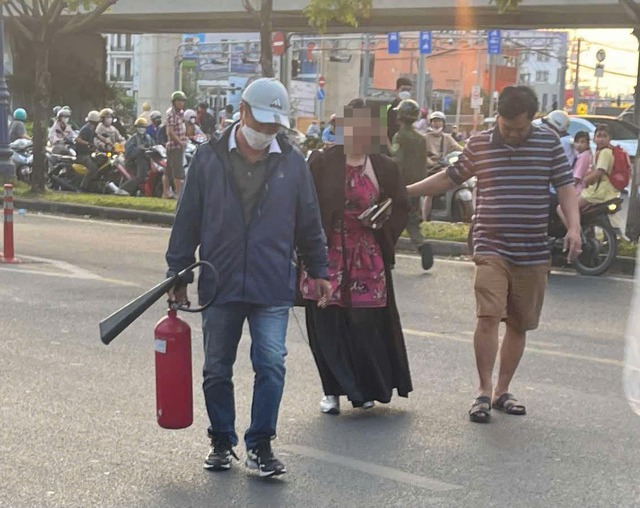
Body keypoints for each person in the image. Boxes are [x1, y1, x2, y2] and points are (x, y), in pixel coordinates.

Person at [165, 78, 330, 476]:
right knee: (217, 368)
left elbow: (309, 221)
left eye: (275, 126)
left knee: (271, 364)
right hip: (219, 282)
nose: (267, 132)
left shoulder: (292, 163)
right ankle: (221, 440)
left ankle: (260, 444)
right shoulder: (208, 158)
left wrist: (319, 269)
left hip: (272, 281)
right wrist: (178, 274)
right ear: (242, 111)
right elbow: (187, 219)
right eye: (263, 122)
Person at [407, 85, 582, 423]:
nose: (512, 134)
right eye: (506, 126)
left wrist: (573, 227)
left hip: (532, 248)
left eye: (519, 128)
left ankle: (503, 390)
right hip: (491, 244)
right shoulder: (481, 143)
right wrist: (408, 192)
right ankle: (483, 391)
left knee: (519, 323)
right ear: (498, 116)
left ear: (533, 119)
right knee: (488, 316)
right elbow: (450, 178)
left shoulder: (548, 144)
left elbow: (565, 187)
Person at [301, 98, 411, 415]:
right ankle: (331, 391)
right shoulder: (321, 161)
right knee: (327, 323)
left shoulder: (384, 166)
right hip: (326, 253)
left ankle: (362, 388)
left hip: (367, 253)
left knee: (366, 323)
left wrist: (381, 220)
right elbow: (305, 205)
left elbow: (400, 204)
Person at [390, 99, 432, 270]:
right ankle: (422, 245)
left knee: (391, 221)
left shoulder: (399, 136)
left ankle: (388, 256)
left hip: (400, 185)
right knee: (412, 221)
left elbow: (396, 161)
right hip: (417, 186)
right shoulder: (421, 139)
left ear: (400, 116)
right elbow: (423, 163)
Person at [421, 111, 464, 221]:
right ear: (431, 123)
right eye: (434, 121)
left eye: (439, 121)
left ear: (443, 124)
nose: (436, 124)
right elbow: (421, 154)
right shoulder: (425, 138)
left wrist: (470, 149)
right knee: (429, 193)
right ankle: (425, 219)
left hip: (443, 168)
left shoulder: (447, 138)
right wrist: (431, 163)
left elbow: (459, 148)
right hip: (430, 170)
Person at [580, 123, 620, 209]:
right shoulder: (602, 151)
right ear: (594, 139)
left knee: (565, 208)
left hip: (599, 192)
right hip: (604, 191)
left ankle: (574, 223)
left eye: (604, 136)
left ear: (610, 138)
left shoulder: (605, 152)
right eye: (599, 136)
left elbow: (600, 171)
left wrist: (585, 180)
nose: (601, 139)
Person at [164, 91, 188, 199]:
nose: (181, 103)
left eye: (183, 101)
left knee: (169, 170)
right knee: (177, 171)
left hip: (180, 145)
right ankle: (178, 194)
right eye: (179, 101)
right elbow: (170, 131)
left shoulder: (181, 113)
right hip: (174, 146)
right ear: (174, 102)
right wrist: (180, 142)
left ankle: (167, 193)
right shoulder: (171, 114)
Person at [123, 117, 154, 195]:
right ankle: (123, 189)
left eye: (143, 127)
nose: (141, 129)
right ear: (136, 128)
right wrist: (139, 150)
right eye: (139, 127)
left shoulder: (149, 138)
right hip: (135, 161)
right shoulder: (133, 139)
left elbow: (154, 146)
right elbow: (128, 153)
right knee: (141, 177)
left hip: (147, 160)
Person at [75, 111, 103, 192]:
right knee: (93, 168)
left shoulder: (91, 128)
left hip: (89, 153)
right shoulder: (86, 129)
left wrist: (109, 143)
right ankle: (82, 187)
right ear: (95, 121)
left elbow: (98, 136)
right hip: (82, 155)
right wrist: (88, 144)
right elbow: (77, 139)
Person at [387, 77, 413, 143]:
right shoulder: (389, 108)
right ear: (396, 91)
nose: (406, 93)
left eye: (408, 90)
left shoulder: (412, 109)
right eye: (403, 89)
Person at [571, 131, 592, 195]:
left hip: (578, 190)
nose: (579, 145)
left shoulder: (583, 157)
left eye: (582, 142)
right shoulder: (587, 154)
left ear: (588, 144)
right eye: (577, 142)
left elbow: (577, 177)